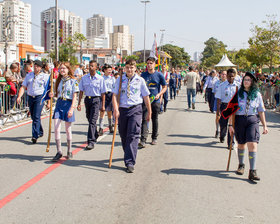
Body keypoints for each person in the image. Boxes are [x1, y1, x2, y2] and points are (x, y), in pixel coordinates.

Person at [112, 59, 151, 173]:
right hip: (122, 110)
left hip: (136, 109)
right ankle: (128, 154)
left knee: (133, 135)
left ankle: (130, 162)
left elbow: (146, 96)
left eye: (131, 67)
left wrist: (149, 111)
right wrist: (115, 109)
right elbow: (114, 95)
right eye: (127, 67)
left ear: (135, 68)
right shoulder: (119, 79)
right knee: (124, 136)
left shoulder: (140, 80)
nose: (129, 69)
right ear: (125, 68)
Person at [229, 72, 268, 181]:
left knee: (252, 144)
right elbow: (232, 110)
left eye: (249, 80)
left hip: (252, 120)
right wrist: (231, 125)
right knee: (241, 144)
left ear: (252, 82)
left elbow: (261, 111)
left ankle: (253, 171)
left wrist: (265, 125)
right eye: (245, 79)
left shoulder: (257, 94)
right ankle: (241, 165)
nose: (246, 81)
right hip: (240, 120)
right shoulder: (237, 93)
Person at [50, 63, 79, 162]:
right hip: (59, 104)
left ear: (68, 69)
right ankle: (59, 151)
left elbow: (75, 96)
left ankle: (69, 150)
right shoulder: (58, 81)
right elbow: (56, 94)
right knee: (56, 128)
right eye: (60, 68)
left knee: (67, 129)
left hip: (68, 104)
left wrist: (72, 108)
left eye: (64, 68)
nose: (62, 70)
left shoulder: (73, 81)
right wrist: (51, 95)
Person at [17, 60, 49, 143]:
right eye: (34, 65)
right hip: (31, 97)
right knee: (33, 116)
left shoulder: (45, 76)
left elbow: (48, 90)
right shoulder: (29, 75)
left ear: (41, 67)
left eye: (37, 66)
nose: (35, 67)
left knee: (36, 116)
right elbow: (23, 86)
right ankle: (40, 131)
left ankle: (34, 136)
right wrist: (19, 96)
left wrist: (48, 102)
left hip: (39, 97)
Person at [77, 60, 106, 150]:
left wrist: (103, 105)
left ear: (96, 68)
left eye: (92, 66)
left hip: (96, 100)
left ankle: (91, 141)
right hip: (87, 100)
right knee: (89, 119)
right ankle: (95, 134)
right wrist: (78, 103)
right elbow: (81, 91)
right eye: (89, 66)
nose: (90, 67)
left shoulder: (100, 79)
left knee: (93, 121)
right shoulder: (84, 78)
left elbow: (103, 93)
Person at [139, 57, 167, 147]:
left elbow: (165, 87)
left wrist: (159, 94)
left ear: (155, 64)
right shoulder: (143, 75)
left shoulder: (159, 75)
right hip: (145, 101)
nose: (149, 65)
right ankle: (143, 139)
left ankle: (154, 137)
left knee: (154, 119)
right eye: (148, 63)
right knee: (144, 119)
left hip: (155, 100)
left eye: (151, 63)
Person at [216, 68, 240, 148]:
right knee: (223, 124)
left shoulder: (238, 86)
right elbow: (219, 99)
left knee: (232, 125)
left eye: (232, 77)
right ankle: (222, 135)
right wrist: (218, 111)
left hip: (233, 107)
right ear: (226, 76)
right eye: (229, 76)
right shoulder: (222, 85)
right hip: (224, 106)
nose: (231, 78)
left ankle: (231, 143)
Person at [98, 64, 115, 135]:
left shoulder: (112, 79)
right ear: (104, 70)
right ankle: (101, 128)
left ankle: (110, 125)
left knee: (109, 112)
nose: (110, 71)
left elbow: (114, 87)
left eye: (111, 70)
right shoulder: (101, 78)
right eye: (108, 70)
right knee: (102, 111)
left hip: (110, 95)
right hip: (103, 95)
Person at [213, 71, 227, 138]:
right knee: (218, 116)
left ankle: (223, 131)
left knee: (225, 117)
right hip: (218, 101)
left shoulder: (228, 83)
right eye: (223, 74)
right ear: (220, 75)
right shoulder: (217, 83)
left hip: (226, 102)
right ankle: (217, 130)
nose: (224, 75)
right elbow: (214, 92)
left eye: (225, 74)